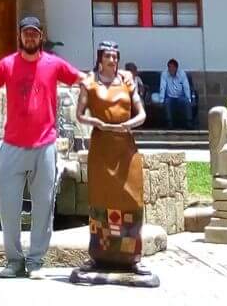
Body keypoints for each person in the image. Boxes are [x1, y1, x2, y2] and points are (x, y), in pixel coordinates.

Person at [0, 16, 82, 280]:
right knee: (8, 208)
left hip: (45, 146)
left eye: (34, 33)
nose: (30, 37)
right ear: (20, 36)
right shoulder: (7, 65)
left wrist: (115, 79)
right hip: (12, 146)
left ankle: (36, 261)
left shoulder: (54, 64)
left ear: (41, 36)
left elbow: (82, 79)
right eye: (26, 33)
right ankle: (14, 261)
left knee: (44, 206)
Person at [72, 42, 152, 285]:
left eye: (115, 56)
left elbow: (142, 113)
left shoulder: (126, 81)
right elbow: (79, 114)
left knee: (130, 197)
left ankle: (132, 256)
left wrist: (132, 123)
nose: (112, 60)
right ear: (100, 59)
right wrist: (98, 123)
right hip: (102, 145)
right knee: (101, 199)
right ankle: (100, 255)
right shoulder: (90, 82)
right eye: (108, 56)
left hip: (125, 146)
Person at [158, 58, 195, 130]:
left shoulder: (182, 73)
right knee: (167, 102)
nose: (170, 69)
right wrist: (161, 100)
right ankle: (169, 123)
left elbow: (186, 86)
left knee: (186, 102)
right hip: (170, 97)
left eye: (172, 67)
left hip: (181, 96)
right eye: (169, 67)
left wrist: (189, 99)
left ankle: (189, 123)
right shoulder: (164, 74)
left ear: (176, 68)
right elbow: (162, 87)